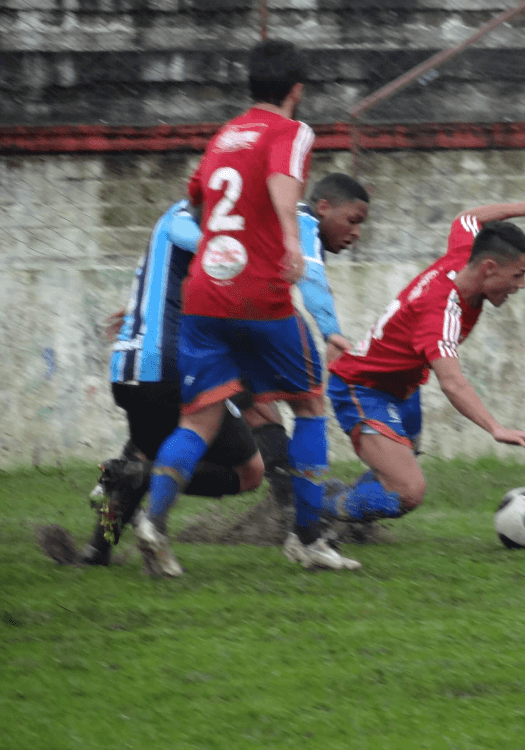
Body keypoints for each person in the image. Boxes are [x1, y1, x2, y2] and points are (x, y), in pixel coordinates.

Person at [136, 39, 363, 576]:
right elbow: (286, 188)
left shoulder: (222, 137)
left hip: (205, 295)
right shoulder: (291, 131)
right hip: (258, 293)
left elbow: (195, 200)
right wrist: (288, 241)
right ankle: (307, 539)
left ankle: (153, 523)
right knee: (309, 402)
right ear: (297, 91)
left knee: (199, 420)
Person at [81, 171, 372, 569]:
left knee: (151, 447)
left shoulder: (182, 220)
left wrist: (140, 309)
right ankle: (302, 527)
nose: (356, 233)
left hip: (141, 361)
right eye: (353, 221)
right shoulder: (290, 220)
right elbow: (290, 271)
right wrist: (330, 329)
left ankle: (99, 547)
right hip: (180, 352)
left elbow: (182, 269)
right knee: (254, 441)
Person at [318, 173, 525, 525]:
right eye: (518, 275)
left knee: (399, 470)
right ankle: (315, 513)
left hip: (401, 387)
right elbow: (452, 382)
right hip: (362, 388)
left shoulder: (466, 256)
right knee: (408, 491)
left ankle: (349, 510)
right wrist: (496, 428)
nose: (521, 285)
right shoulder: (441, 312)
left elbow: (469, 218)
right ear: (490, 269)